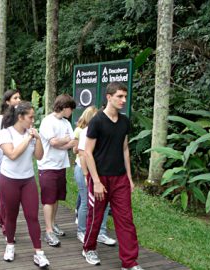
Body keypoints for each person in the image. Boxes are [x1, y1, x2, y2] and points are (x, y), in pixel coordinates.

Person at [82, 82, 142, 270]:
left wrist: (130, 178)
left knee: (125, 220)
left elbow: (125, 149)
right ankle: (89, 248)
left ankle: (129, 262)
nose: (124, 100)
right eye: (120, 96)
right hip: (100, 178)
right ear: (109, 97)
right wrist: (97, 182)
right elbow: (87, 152)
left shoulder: (124, 121)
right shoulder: (97, 121)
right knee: (96, 216)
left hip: (120, 178)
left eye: (125, 96)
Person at [0, 102, 50, 268]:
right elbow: (12, 154)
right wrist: (28, 138)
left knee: (32, 216)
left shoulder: (32, 134)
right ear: (20, 117)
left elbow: (39, 157)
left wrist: (39, 139)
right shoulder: (6, 133)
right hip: (9, 180)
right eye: (30, 117)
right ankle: (10, 245)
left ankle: (39, 252)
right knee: (11, 215)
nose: (33, 121)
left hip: (27, 180)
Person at [37, 94, 77, 247]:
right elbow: (53, 142)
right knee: (48, 199)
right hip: (47, 166)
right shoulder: (48, 121)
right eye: (71, 109)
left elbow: (73, 141)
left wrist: (64, 142)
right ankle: (48, 231)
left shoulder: (66, 123)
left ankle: (53, 224)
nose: (71, 112)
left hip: (61, 165)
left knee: (57, 197)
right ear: (65, 107)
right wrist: (65, 141)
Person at [74, 106, 116, 246]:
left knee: (104, 204)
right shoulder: (87, 131)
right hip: (84, 170)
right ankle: (82, 231)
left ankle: (101, 232)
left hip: (101, 173)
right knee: (86, 202)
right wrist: (87, 175)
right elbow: (82, 155)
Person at [0, 89, 21, 228]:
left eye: (19, 97)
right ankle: (6, 225)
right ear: (7, 101)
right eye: (15, 98)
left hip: (18, 156)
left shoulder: (21, 117)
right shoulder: (0, 118)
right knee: (5, 194)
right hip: (2, 156)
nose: (18, 100)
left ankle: (0, 218)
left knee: (9, 195)